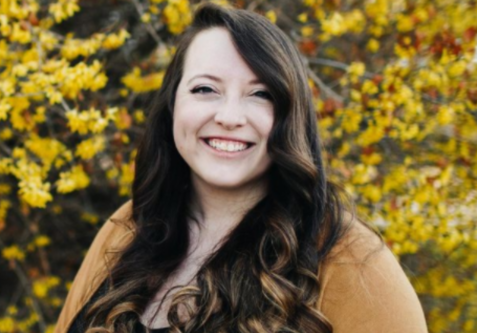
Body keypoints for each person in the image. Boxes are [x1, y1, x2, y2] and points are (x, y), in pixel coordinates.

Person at [55, 3, 428, 333]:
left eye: (260, 94)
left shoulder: (351, 263)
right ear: (172, 104)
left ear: (290, 116)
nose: (230, 117)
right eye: (205, 89)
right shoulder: (129, 228)